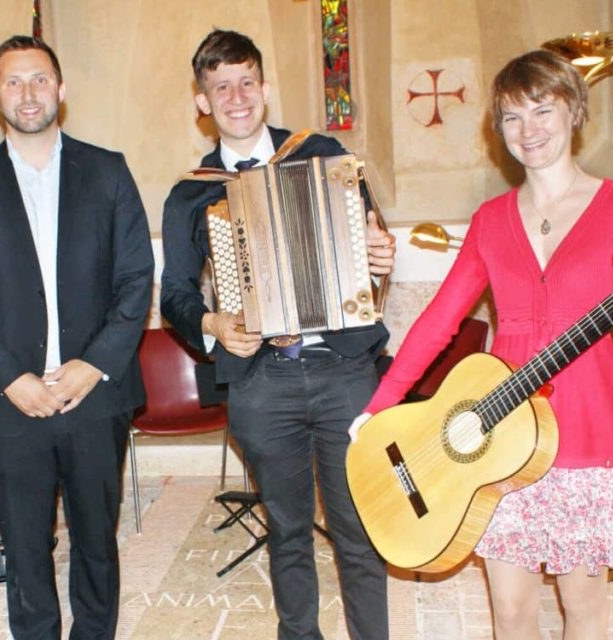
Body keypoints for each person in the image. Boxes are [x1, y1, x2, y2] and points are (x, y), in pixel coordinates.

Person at [350, 50, 613, 639]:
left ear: (574, 110)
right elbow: (439, 321)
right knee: (513, 613)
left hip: (587, 437)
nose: (530, 131)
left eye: (543, 111)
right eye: (513, 118)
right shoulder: (491, 220)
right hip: (500, 437)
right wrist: (380, 405)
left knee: (583, 610)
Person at [160, 29, 396, 640]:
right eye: (220, 87)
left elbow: (373, 241)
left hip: (343, 367)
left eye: (245, 82)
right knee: (287, 529)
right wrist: (212, 324)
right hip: (262, 381)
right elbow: (176, 296)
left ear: (263, 88)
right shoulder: (191, 192)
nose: (236, 96)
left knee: (358, 526)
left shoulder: (321, 153)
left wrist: (381, 253)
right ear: (203, 102)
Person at [0, 36, 153, 640]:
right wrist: (10, 378)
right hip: (10, 401)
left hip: (94, 394)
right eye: (13, 82)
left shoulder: (108, 172)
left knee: (95, 542)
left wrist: (94, 364)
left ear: (61, 88)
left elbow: (136, 281)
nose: (27, 93)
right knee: (25, 548)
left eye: (39, 80)